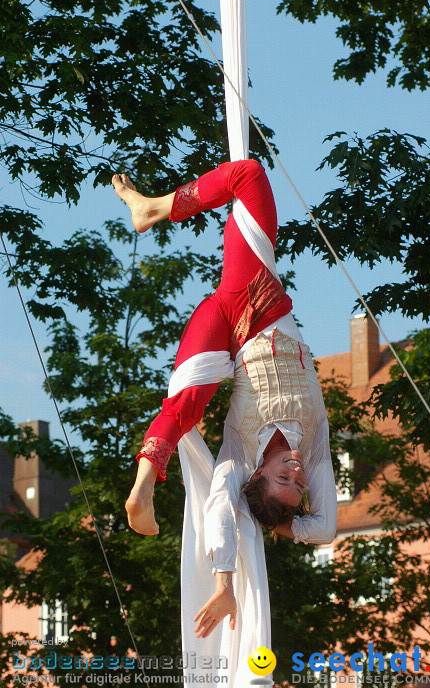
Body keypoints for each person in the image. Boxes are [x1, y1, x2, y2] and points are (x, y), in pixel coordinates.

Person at [112, 158, 337, 638]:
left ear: (258, 474)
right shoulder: (316, 449)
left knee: (183, 407)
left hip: (232, 310)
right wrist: (285, 526)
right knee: (248, 175)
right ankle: (152, 209)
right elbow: (326, 529)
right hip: (258, 301)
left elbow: (220, 510)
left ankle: (143, 485)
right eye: (300, 484)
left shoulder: (238, 456)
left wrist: (224, 583)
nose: (297, 470)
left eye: (284, 476)